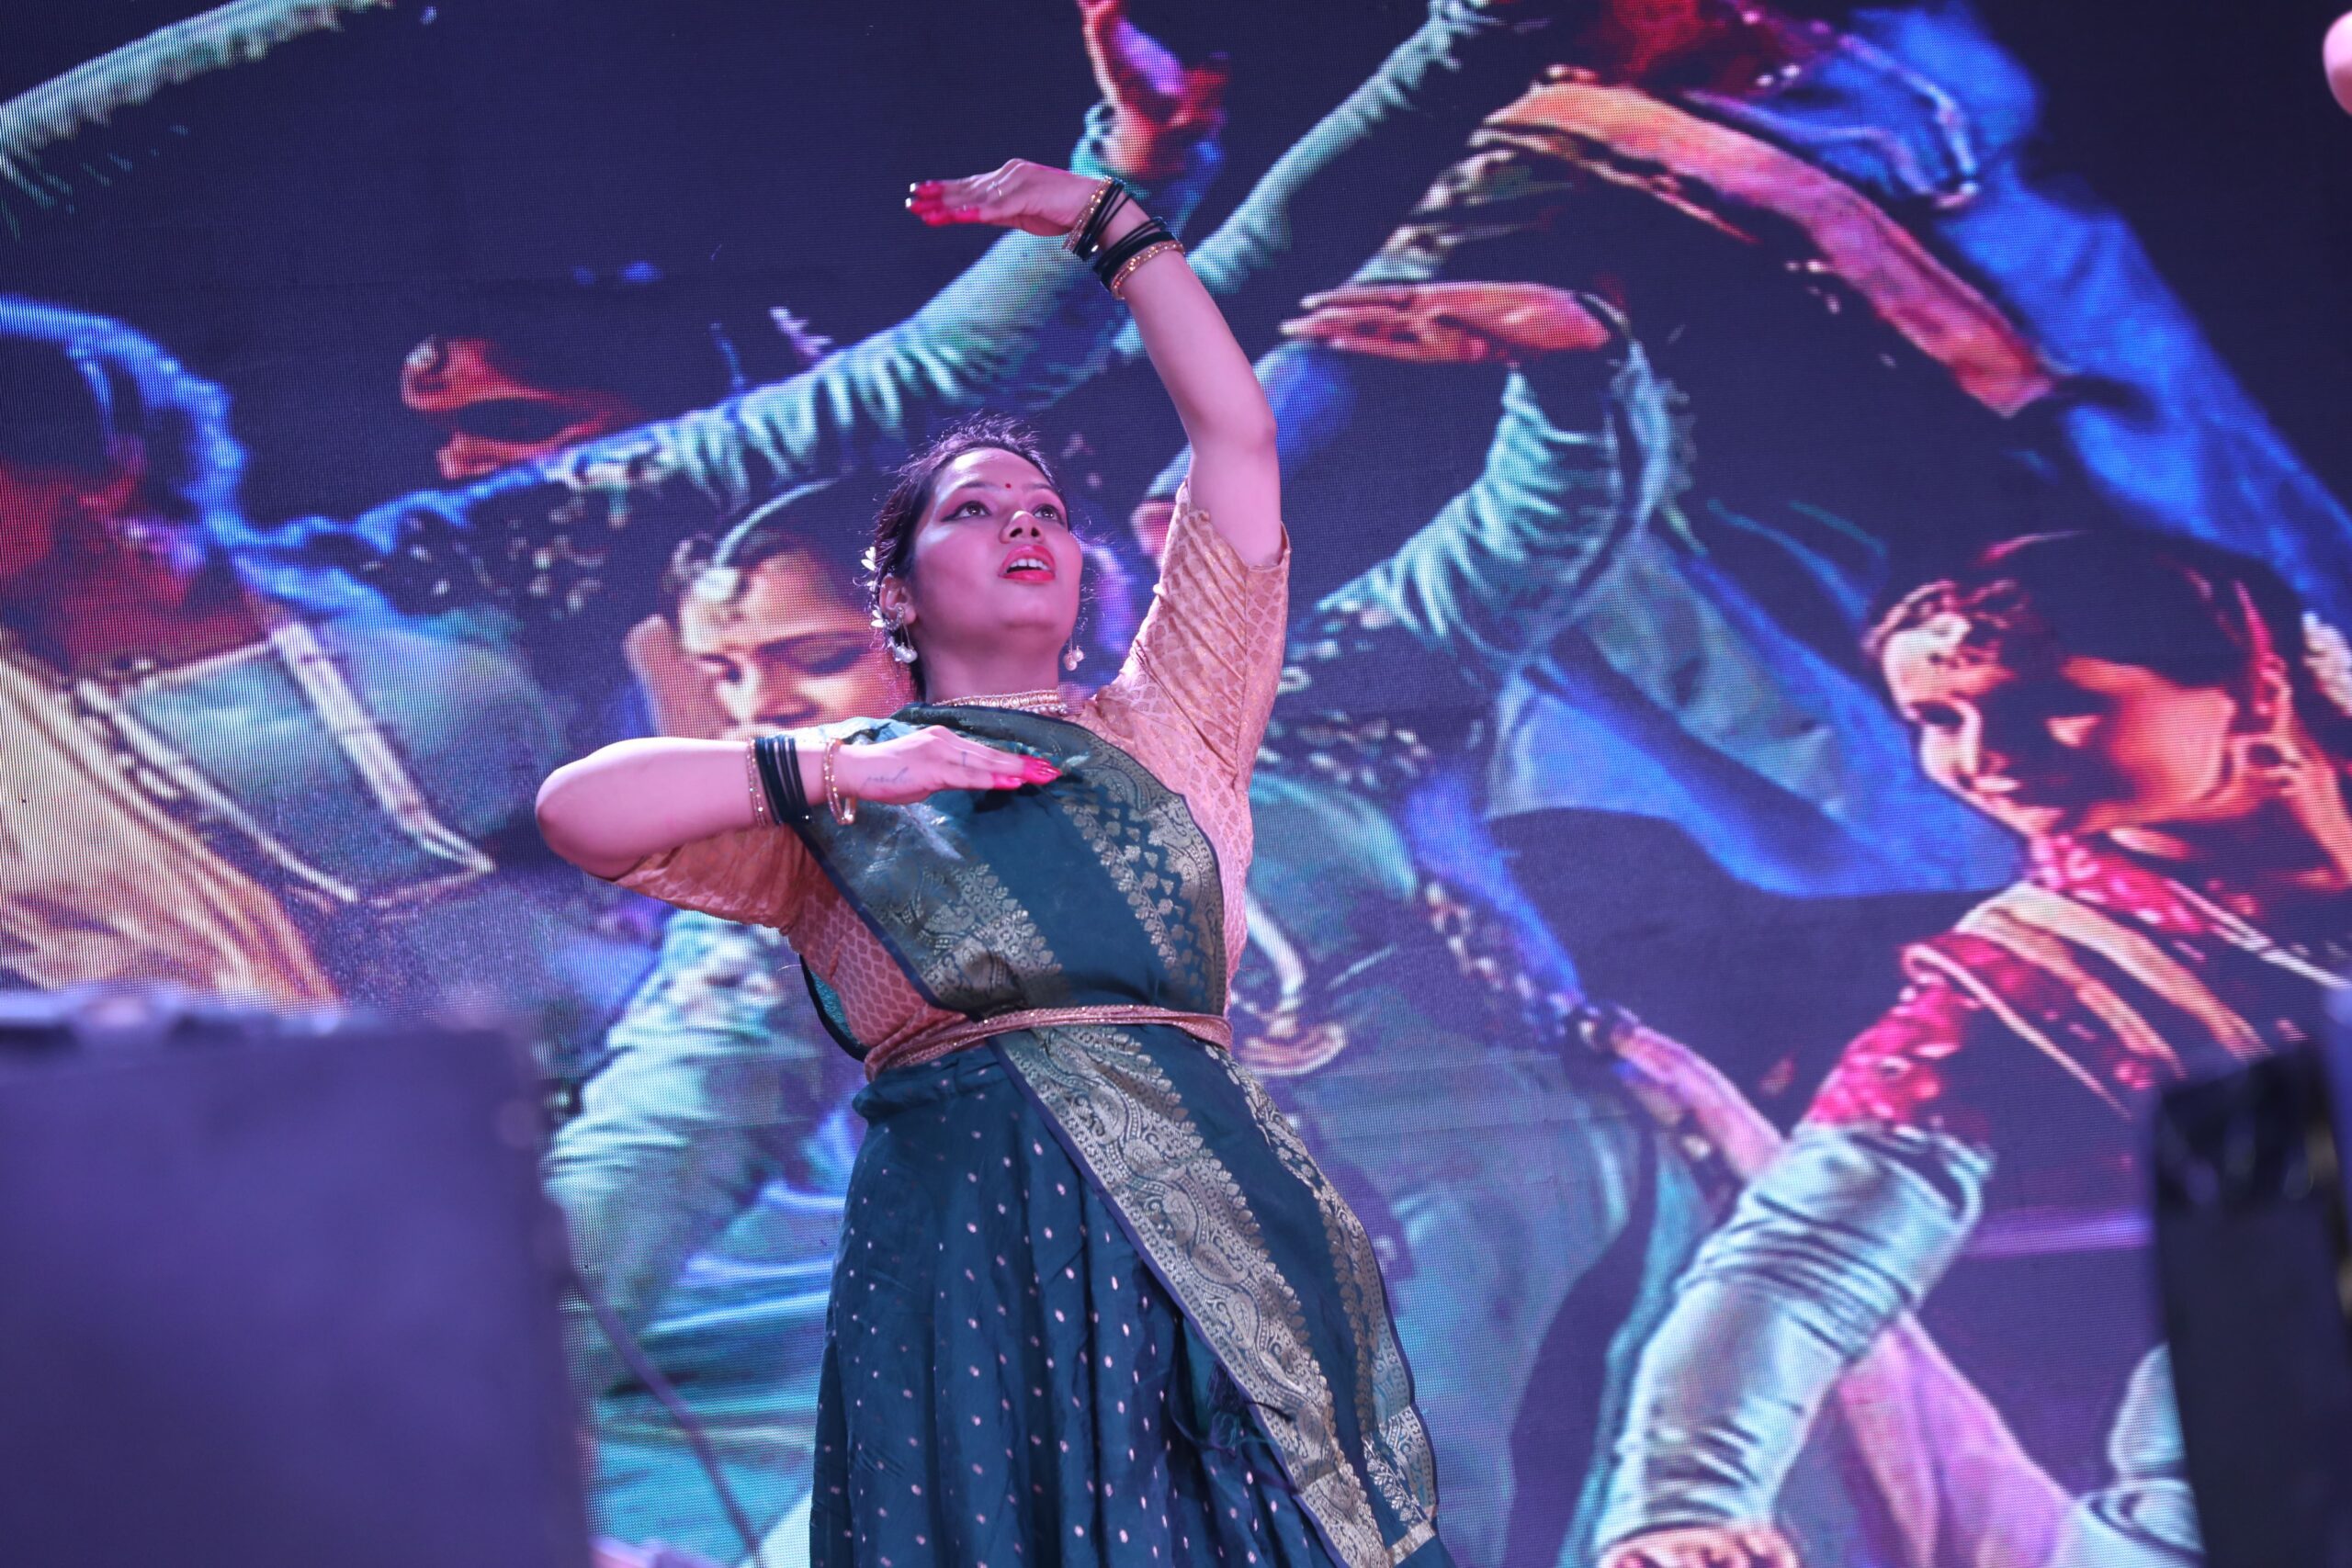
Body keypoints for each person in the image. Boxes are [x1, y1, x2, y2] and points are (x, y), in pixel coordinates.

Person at [536, 159, 1450, 1568]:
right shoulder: (820, 827)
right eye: (967, 512)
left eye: (1035, 507)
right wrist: (836, 764)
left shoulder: (1172, 718)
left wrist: (1118, 228)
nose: (1015, 520)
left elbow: (1237, 440)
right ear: (898, 596)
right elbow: (585, 813)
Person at [1594, 528, 2352, 1568]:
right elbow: (1799, 1257)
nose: (1986, 758)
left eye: (2049, 700)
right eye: (1938, 719)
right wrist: (1687, 1503)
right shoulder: (2036, 979)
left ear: (2249, 678)